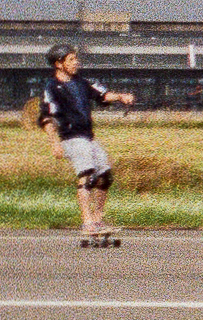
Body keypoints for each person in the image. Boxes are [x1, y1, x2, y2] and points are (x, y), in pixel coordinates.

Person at [30, 44, 133, 246]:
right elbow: (46, 117)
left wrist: (121, 96)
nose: (76, 62)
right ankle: (87, 222)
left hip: (88, 137)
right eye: (71, 59)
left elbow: (103, 95)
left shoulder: (81, 82)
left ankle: (97, 220)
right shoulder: (52, 87)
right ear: (59, 64)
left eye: (76, 59)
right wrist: (54, 143)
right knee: (87, 175)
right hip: (71, 137)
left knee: (105, 175)